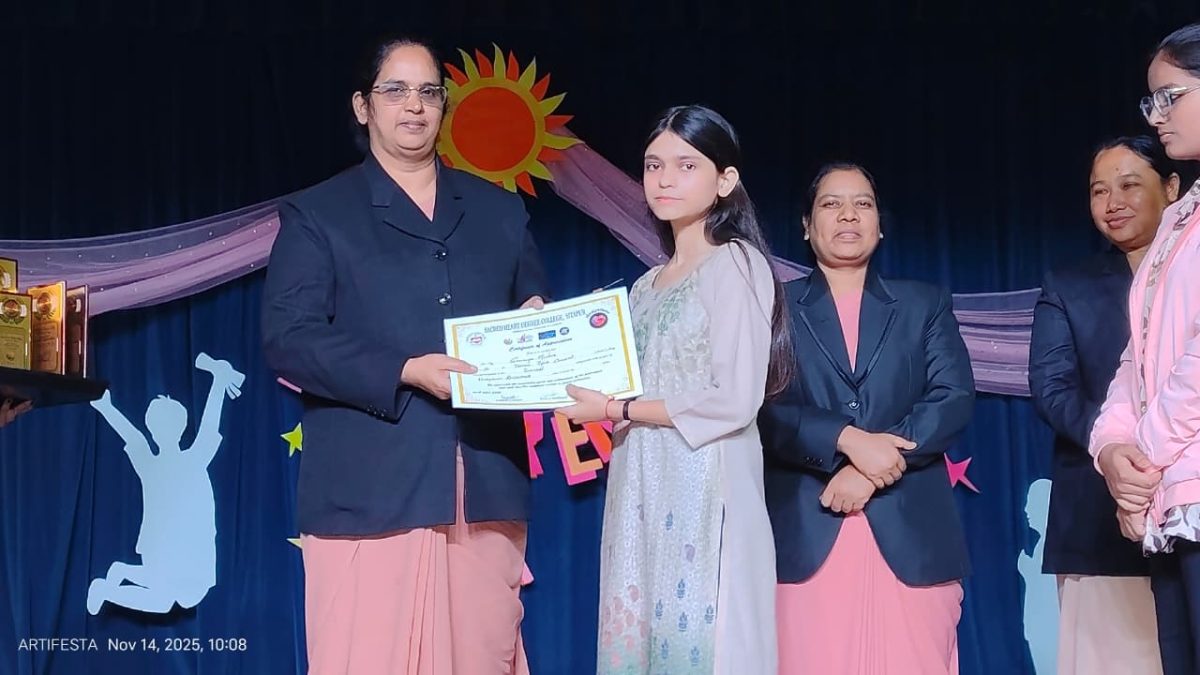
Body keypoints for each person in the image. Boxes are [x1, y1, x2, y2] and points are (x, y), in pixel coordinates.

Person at [261, 35, 549, 675]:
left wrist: (538, 328)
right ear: (363, 107)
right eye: (395, 91)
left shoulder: (501, 212)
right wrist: (405, 370)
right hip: (370, 490)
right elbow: (290, 337)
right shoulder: (319, 214)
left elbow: (533, 313)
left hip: (485, 486)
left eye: (428, 92)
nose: (414, 106)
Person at [560, 105, 792, 675]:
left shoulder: (736, 264)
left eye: (687, 165)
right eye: (653, 165)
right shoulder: (644, 287)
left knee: (707, 644)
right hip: (640, 480)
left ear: (725, 180)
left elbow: (735, 399)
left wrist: (617, 407)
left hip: (707, 481)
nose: (665, 179)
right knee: (637, 633)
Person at [759, 163, 975, 674]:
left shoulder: (925, 302)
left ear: (880, 224)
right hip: (806, 530)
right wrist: (845, 439)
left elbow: (952, 397)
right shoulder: (772, 306)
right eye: (831, 204)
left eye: (863, 203)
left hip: (911, 532)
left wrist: (871, 468)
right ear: (807, 226)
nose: (848, 215)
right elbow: (764, 407)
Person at [1029, 135, 1181, 675]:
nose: (1113, 202)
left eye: (1129, 185)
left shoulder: (1190, 276)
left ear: (1172, 188)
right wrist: (1118, 451)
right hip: (1098, 518)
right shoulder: (1067, 285)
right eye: (1099, 190)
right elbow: (1052, 389)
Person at [1090, 22, 1200, 675]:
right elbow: (1140, 356)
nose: (1156, 116)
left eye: (1171, 97)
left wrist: (1145, 462)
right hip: (1171, 499)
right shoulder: (1182, 216)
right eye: (1150, 101)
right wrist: (1112, 451)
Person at [86, 352, 243, 615]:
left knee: (188, 597)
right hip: (161, 543)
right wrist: (107, 409)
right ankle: (106, 589)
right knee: (163, 601)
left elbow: (137, 437)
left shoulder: (185, 459)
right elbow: (205, 426)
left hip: (193, 544)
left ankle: (122, 572)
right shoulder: (168, 462)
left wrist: (218, 381)